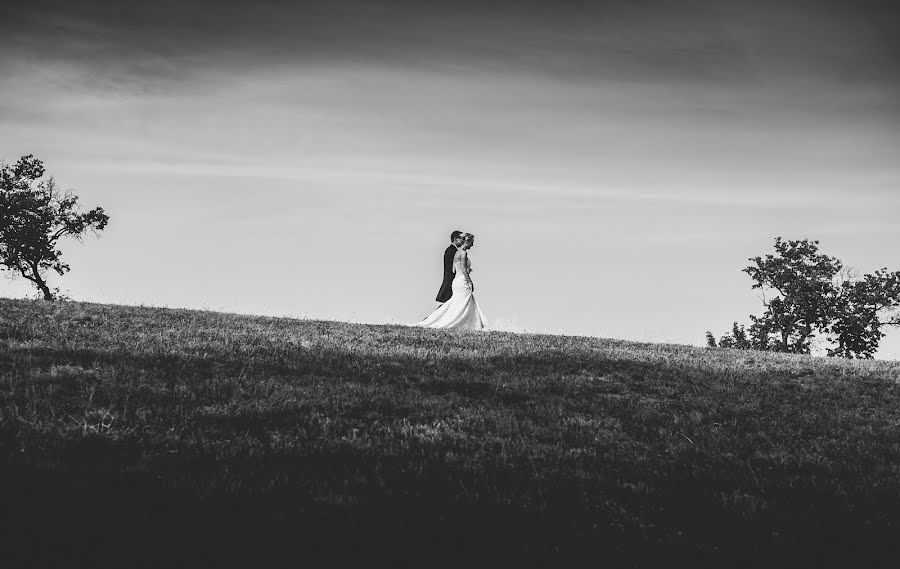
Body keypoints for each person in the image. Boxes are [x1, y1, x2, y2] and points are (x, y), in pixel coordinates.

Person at [413, 232, 488, 330]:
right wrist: (469, 280)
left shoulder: (456, 252)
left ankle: (434, 320)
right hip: (457, 281)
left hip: (456, 280)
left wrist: (461, 271)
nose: (473, 245)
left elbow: (454, 269)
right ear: (467, 241)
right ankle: (435, 320)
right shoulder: (456, 252)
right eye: (472, 242)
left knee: (453, 304)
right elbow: (458, 270)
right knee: (454, 305)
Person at [436, 230, 464, 303]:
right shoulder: (451, 250)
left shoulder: (452, 250)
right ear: (455, 239)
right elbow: (451, 268)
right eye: (461, 238)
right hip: (451, 281)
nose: (462, 240)